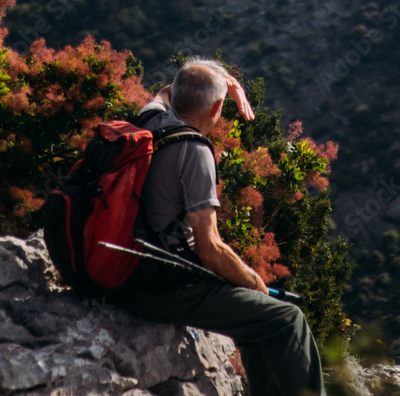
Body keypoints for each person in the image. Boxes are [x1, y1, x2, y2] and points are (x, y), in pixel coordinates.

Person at [110, 58, 326, 396]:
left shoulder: (150, 118)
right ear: (217, 109)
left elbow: (168, 91)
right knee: (287, 321)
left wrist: (215, 82)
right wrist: (254, 281)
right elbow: (208, 249)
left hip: (126, 271)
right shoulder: (194, 150)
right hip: (161, 287)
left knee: (256, 322)